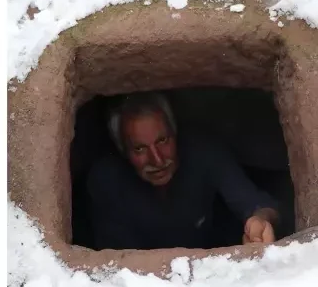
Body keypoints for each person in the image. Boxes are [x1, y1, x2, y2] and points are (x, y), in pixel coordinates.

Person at [87, 92, 278, 251]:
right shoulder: (106, 180)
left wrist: (260, 221)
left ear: (175, 132)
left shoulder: (204, 151)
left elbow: (255, 202)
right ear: (123, 151)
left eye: (163, 141)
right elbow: (111, 258)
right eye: (139, 149)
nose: (157, 159)